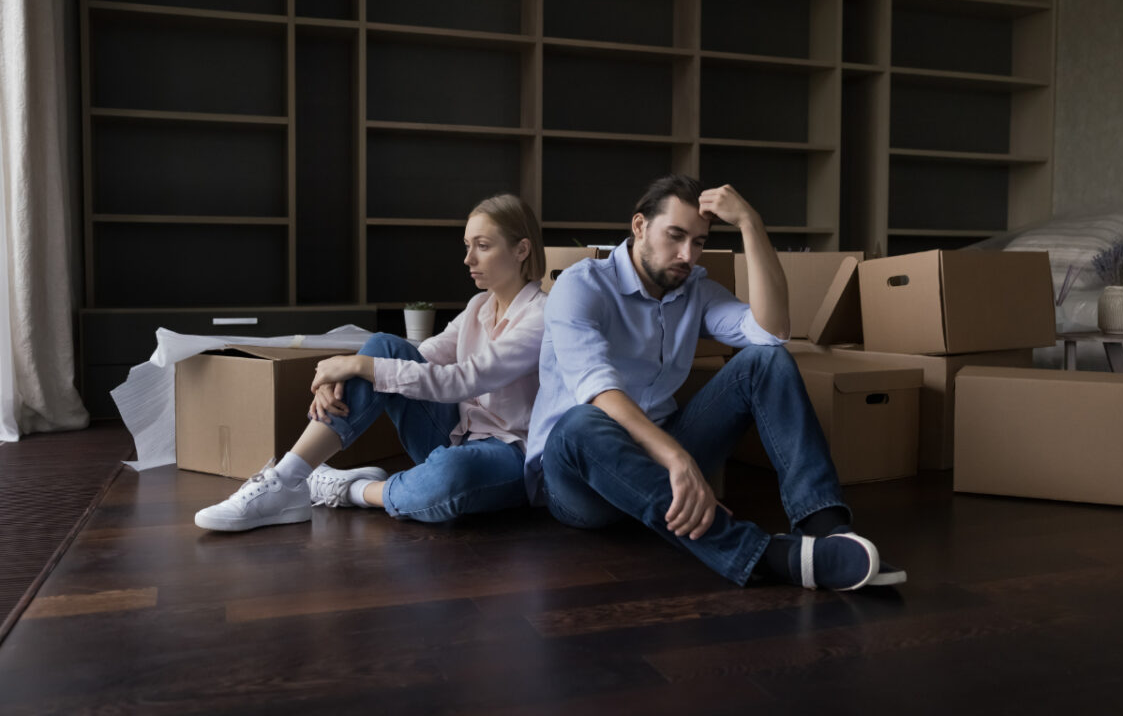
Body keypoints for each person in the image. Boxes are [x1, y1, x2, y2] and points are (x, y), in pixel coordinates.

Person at [528, 174, 904, 590]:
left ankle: (827, 527)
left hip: (663, 461)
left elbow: (772, 332)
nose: (687, 255)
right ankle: (766, 556)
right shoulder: (581, 286)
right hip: (580, 480)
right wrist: (678, 459)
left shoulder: (695, 290)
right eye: (675, 236)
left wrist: (751, 224)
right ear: (639, 227)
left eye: (699, 241)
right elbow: (599, 390)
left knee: (766, 361)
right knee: (581, 422)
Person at [195, 194, 547, 532]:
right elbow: (422, 356)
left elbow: (464, 379)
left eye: (482, 246)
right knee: (382, 345)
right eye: (467, 246)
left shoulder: (542, 314)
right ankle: (286, 479)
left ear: (521, 249)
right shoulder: (478, 306)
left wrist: (359, 367)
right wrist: (354, 366)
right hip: (456, 434)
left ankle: (346, 489)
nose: (468, 259)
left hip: (508, 452)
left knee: (450, 475)